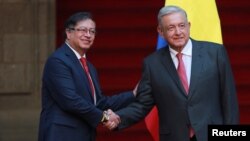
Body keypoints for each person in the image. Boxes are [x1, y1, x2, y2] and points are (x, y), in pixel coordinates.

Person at [104, 5, 239, 141]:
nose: (178, 32)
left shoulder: (215, 53)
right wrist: (119, 117)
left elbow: (229, 99)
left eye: (181, 25)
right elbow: (142, 105)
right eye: (171, 28)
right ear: (161, 31)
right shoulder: (152, 64)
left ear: (189, 26)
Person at [38, 12, 136, 141]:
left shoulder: (89, 66)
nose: (88, 35)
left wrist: (133, 94)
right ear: (68, 33)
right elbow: (70, 101)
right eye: (83, 30)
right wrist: (104, 117)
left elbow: (99, 103)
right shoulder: (58, 61)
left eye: (92, 31)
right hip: (61, 135)